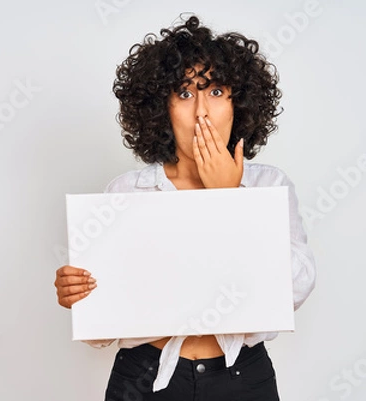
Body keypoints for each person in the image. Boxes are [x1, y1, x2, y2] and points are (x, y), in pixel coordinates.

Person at [54, 15, 317, 401]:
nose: (200, 113)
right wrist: (79, 296)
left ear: (237, 103)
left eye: (215, 92)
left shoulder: (267, 185)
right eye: (184, 93)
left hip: (243, 376)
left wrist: (229, 198)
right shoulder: (128, 192)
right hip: (144, 377)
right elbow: (102, 333)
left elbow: (296, 288)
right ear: (161, 108)